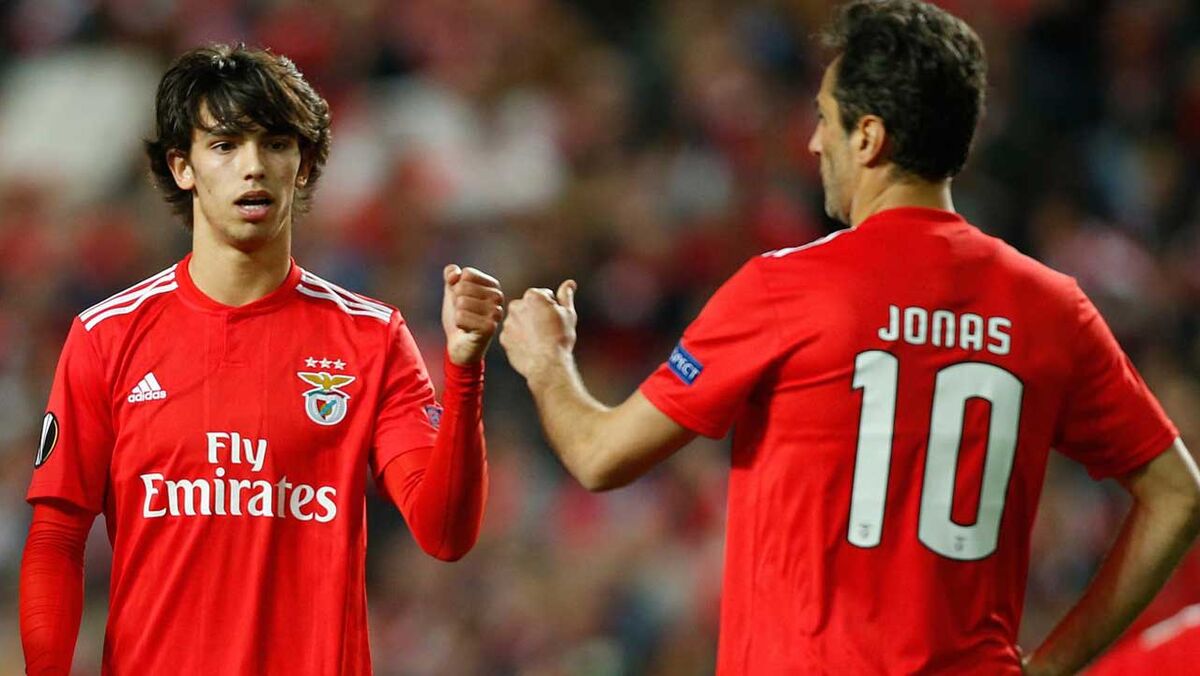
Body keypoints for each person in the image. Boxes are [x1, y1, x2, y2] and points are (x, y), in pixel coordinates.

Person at [499, 1, 1200, 673]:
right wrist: (1054, 665)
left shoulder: (786, 288)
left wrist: (546, 360)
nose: (813, 142)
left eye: (823, 119)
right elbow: (1178, 495)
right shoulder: (1051, 308)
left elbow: (601, 456)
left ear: (868, 137)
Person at [19, 44, 504, 674]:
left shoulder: (371, 338)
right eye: (225, 145)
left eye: (275, 144)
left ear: (303, 165)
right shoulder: (107, 336)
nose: (253, 167)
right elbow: (56, 539)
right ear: (182, 166)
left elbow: (445, 534)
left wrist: (464, 373)